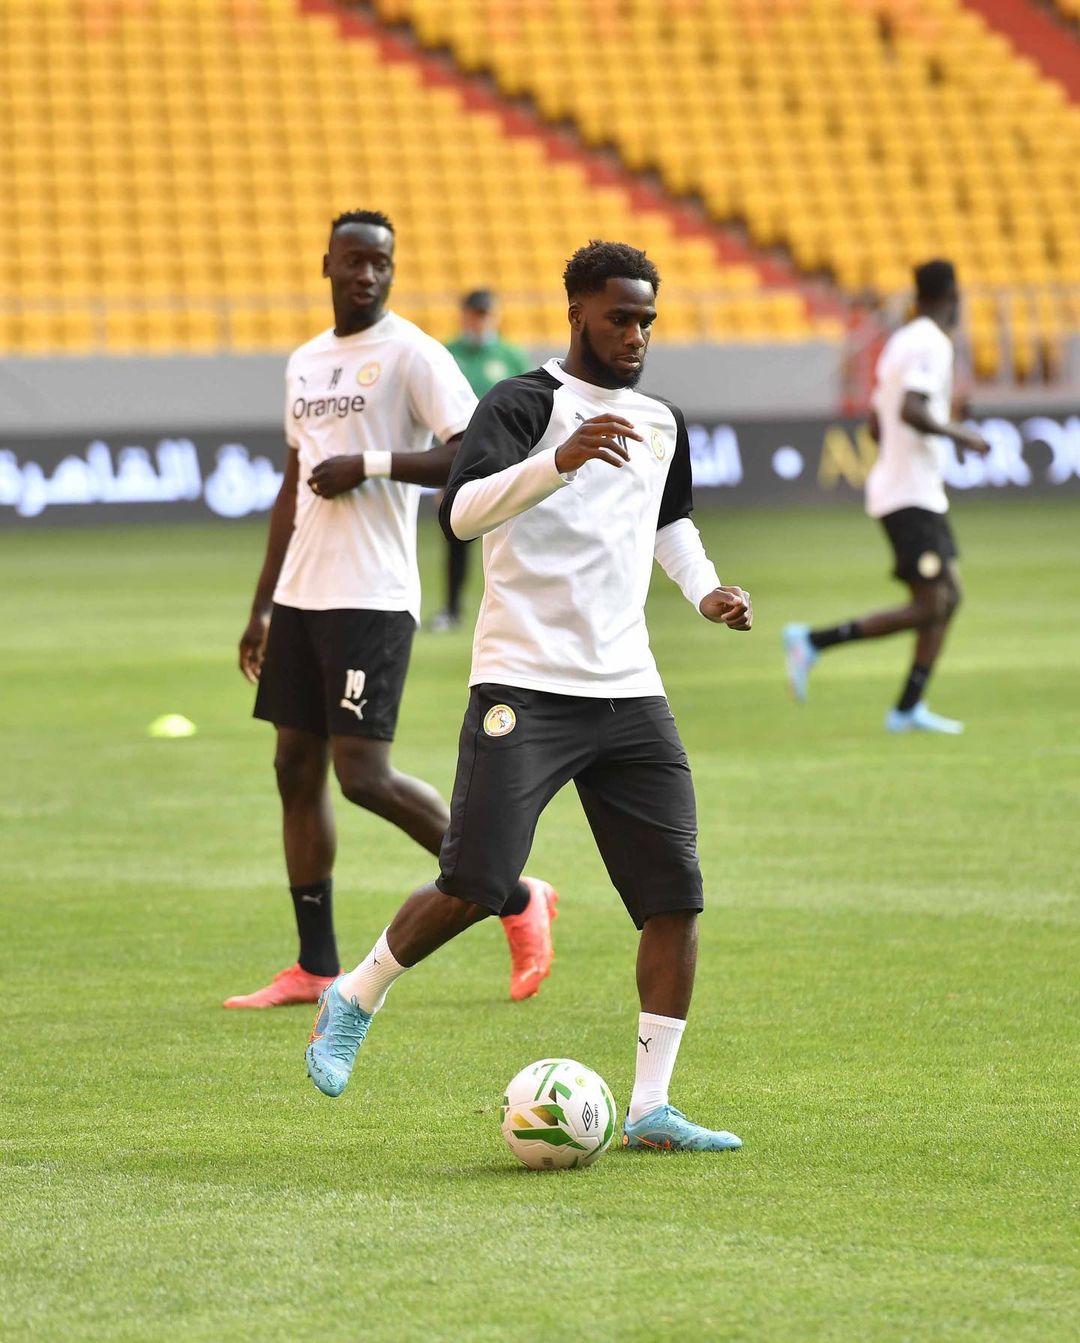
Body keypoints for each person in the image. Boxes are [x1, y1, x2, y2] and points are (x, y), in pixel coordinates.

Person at [305, 240, 755, 1155]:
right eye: (618, 316)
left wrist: (705, 589)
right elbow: (461, 512)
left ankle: (652, 1107)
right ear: (577, 311)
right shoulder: (522, 403)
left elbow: (669, 523)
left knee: (675, 896)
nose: (634, 335)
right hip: (525, 681)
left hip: (630, 689)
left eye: (645, 320)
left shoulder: (664, 420)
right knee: (475, 880)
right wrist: (560, 458)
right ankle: (354, 995)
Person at [228, 209, 558, 1009]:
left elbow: (469, 451)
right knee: (292, 768)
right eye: (353, 260)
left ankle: (514, 895)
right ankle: (313, 964)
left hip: (372, 595)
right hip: (302, 596)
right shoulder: (305, 362)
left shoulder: (413, 353)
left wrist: (370, 463)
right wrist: (262, 605)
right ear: (327, 265)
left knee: (362, 775)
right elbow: (290, 485)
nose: (367, 273)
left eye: (381, 261)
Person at [783, 259, 990, 733]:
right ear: (953, 295)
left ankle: (908, 707)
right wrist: (962, 434)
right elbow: (912, 411)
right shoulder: (933, 342)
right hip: (909, 493)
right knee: (932, 602)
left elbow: (880, 423)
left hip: (910, 489)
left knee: (947, 596)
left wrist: (939, 418)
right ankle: (813, 642)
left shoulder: (900, 341)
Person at [428, 290, 531, 632]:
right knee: (457, 533)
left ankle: (515, 611)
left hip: (507, 457)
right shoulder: (447, 354)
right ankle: (452, 608)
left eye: (486, 314)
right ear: (464, 315)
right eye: (475, 314)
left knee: (512, 537)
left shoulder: (511, 355)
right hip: (459, 459)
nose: (480, 320)